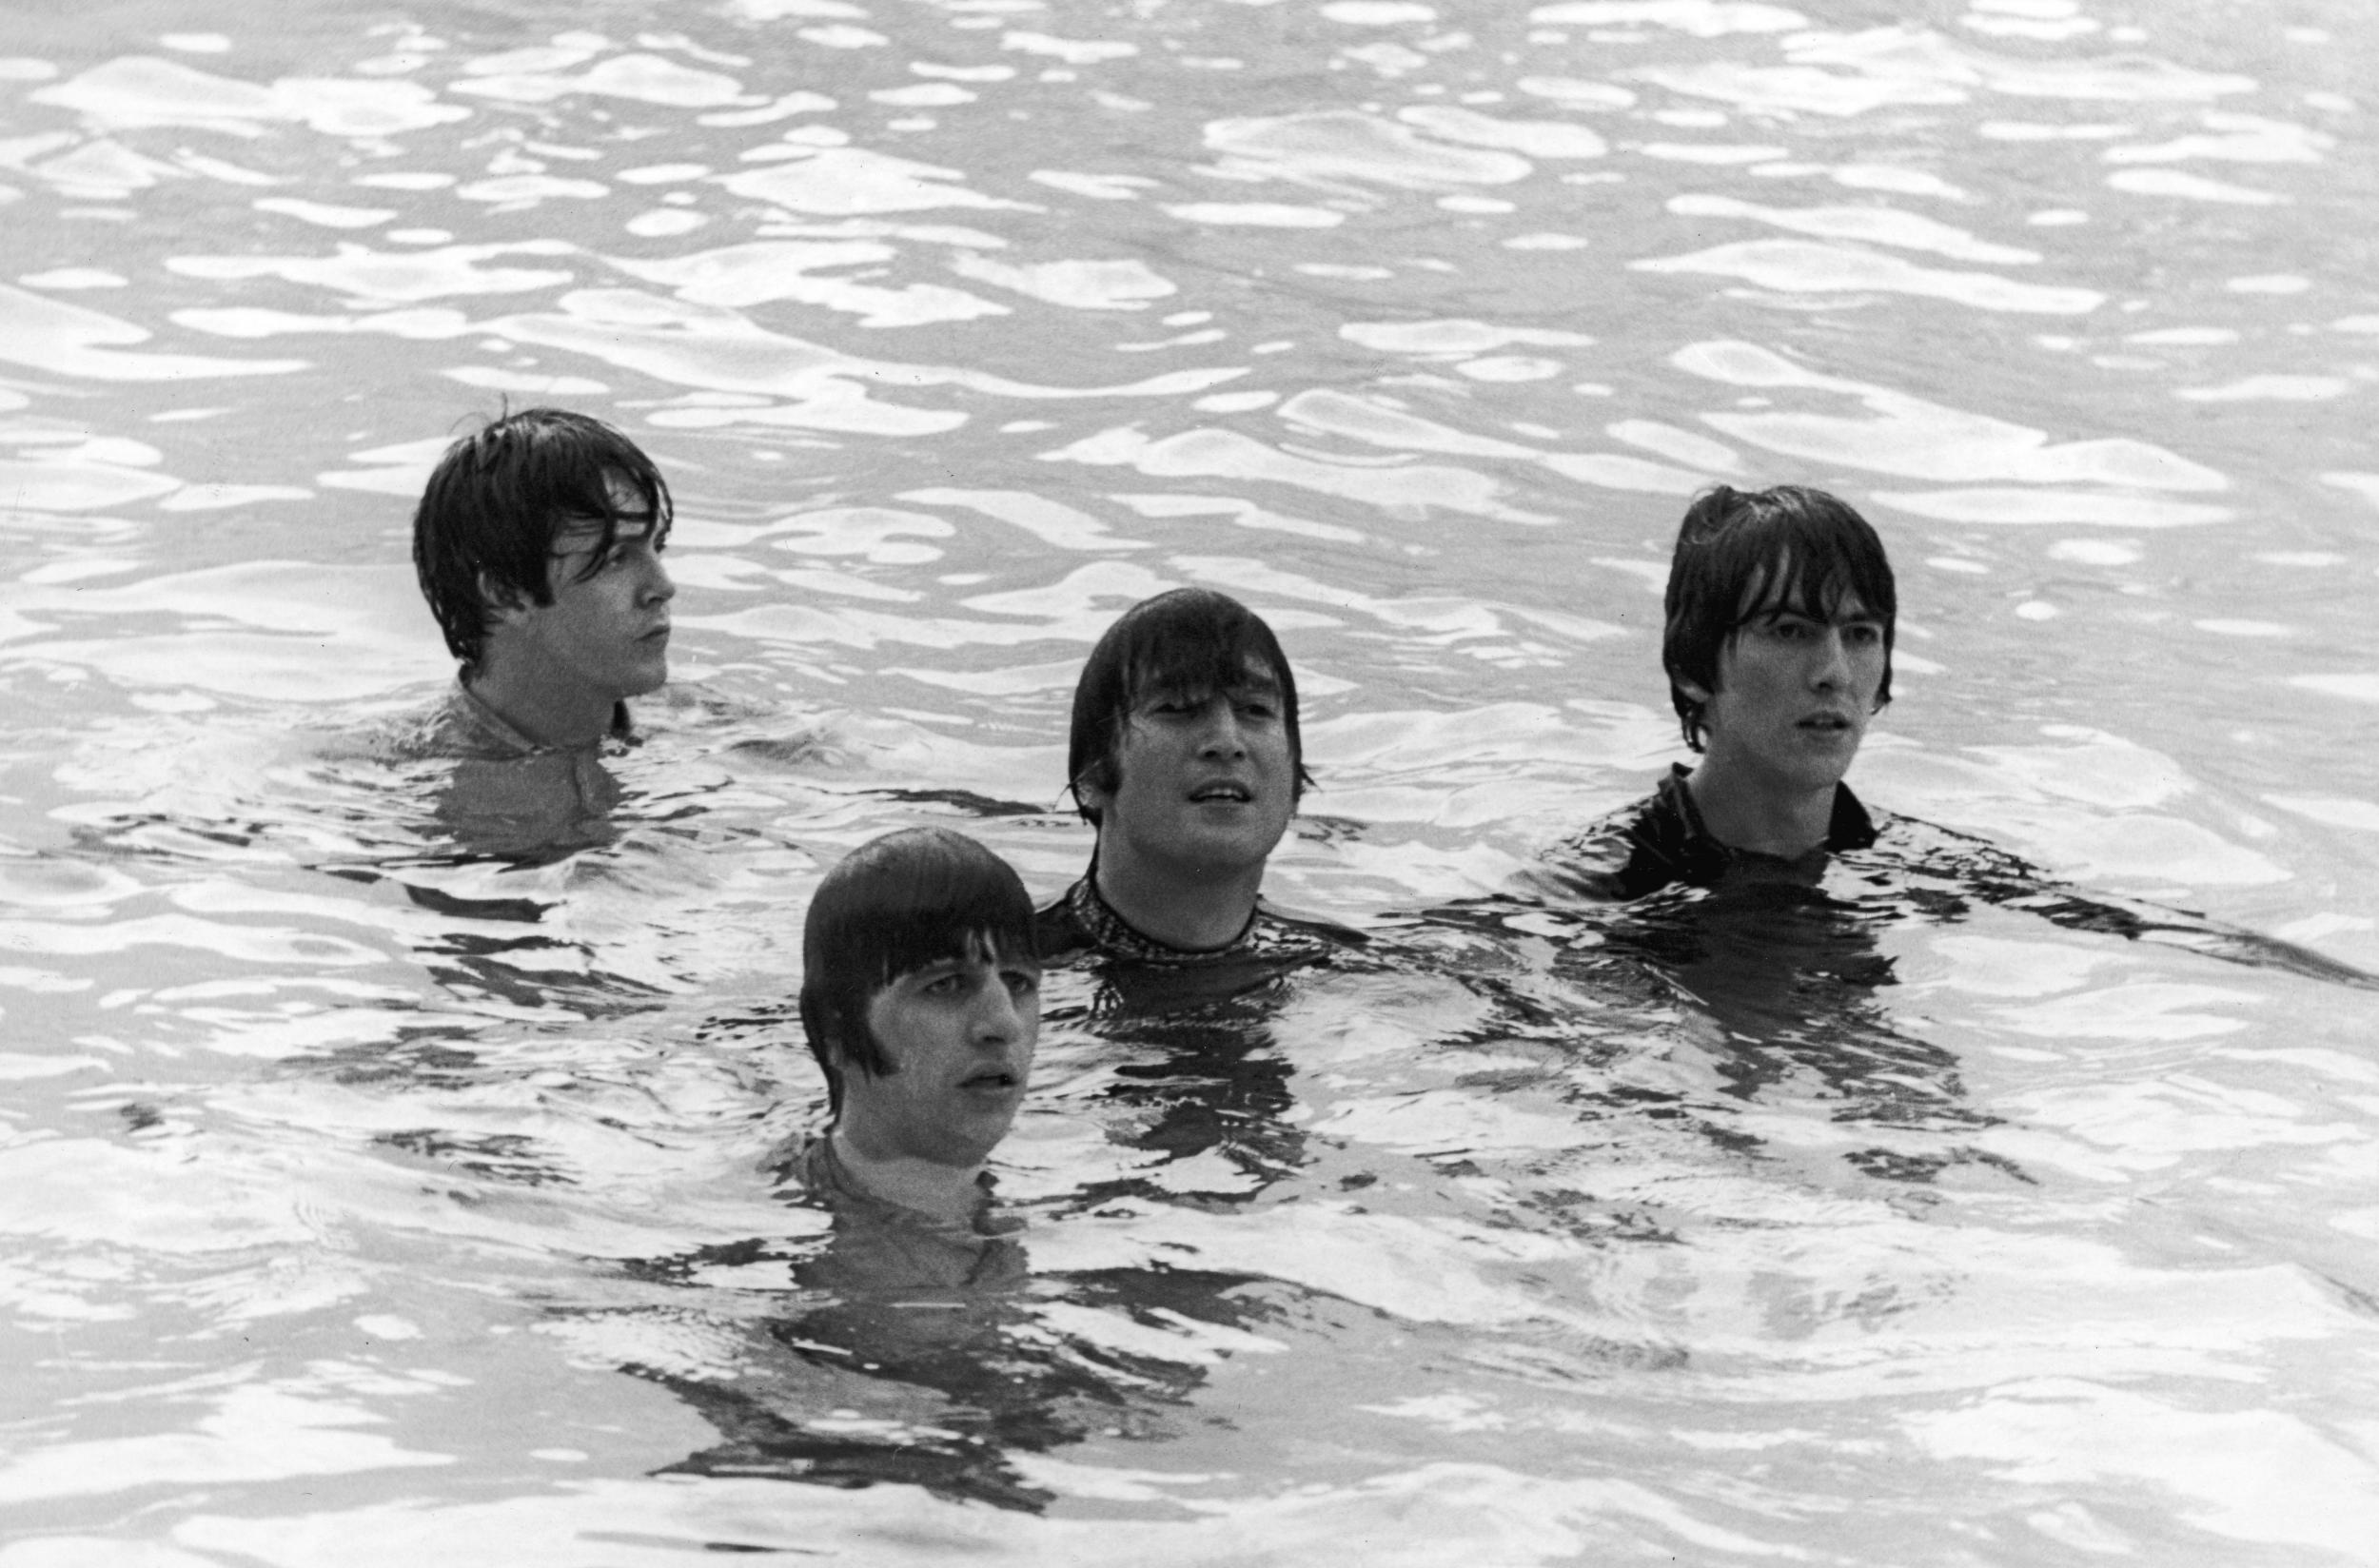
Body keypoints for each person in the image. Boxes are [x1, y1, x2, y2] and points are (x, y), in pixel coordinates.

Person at [1036, 587, 1360, 974]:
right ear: (1091, 776)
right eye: (1177, 709)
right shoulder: (998, 970)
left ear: (1294, 787)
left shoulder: (1352, 971)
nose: (1226, 742)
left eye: (1255, 710)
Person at [791, 826, 1042, 1229]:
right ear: (835, 1031)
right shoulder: (779, 1236)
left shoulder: (1078, 1200)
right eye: (945, 985)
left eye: (1018, 982)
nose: (1005, 1023)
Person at [407, 405, 677, 759]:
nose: (663, 586)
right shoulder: (401, 788)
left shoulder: (704, 725)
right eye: (616, 559)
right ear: (508, 594)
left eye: (656, 547)